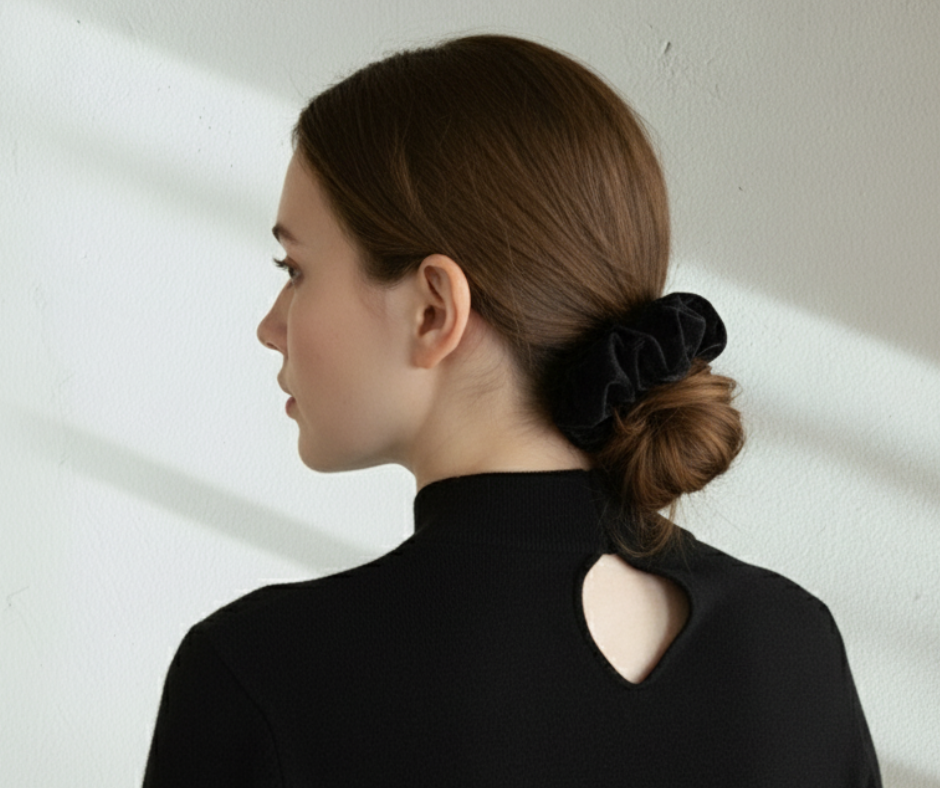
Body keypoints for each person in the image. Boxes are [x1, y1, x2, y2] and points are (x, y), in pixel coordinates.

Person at [142, 33, 881, 786]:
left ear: (434, 310)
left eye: (296, 269)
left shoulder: (267, 675)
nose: (270, 326)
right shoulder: (794, 647)